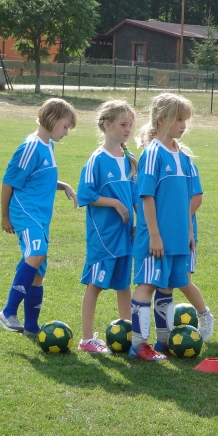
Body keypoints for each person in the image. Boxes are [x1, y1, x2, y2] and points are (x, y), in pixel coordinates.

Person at [129, 93, 202, 361]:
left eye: (185, 120)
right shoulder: (153, 153)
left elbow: (186, 203)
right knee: (147, 284)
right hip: (155, 239)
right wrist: (155, 236)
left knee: (167, 288)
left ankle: (163, 341)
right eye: (179, 120)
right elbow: (146, 197)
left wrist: (189, 233)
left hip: (177, 238)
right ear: (161, 120)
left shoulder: (182, 157)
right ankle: (139, 345)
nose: (184, 125)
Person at [0, 97, 78, 337]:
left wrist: (64, 186)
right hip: (26, 213)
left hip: (41, 218)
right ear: (52, 119)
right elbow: (9, 181)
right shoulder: (31, 146)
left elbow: (40, 178)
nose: (66, 133)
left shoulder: (48, 145)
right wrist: (4, 216)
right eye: (65, 126)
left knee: (38, 272)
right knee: (36, 253)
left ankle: (31, 327)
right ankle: (8, 312)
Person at [76, 100, 139, 353]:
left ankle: (128, 334)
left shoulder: (130, 160)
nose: (128, 129)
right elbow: (85, 194)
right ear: (106, 124)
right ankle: (86, 339)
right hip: (104, 237)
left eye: (130, 125)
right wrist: (114, 203)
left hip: (125, 236)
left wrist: (140, 224)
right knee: (96, 284)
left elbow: (136, 197)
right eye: (123, 124)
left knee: (124, 285)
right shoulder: (97, 160)